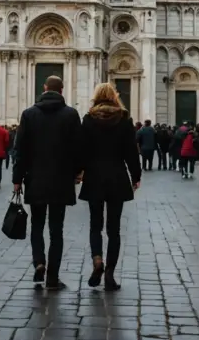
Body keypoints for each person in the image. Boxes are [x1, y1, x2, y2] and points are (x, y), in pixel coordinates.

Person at [12, 76, 82, 291]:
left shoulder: (29, 114)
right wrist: (77, 172)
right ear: (61, 90)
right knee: (56, 230)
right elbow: (78, 147)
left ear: (44, 88)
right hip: (61, 180)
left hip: (36, 179)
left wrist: (17, 180)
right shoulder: (71, 114)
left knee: (37, 225)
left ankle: (39, 262)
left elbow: (20, 151)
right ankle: (52, 277)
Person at [79, 83, 141, 291]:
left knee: (95, 225)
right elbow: (131, 152)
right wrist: (136, 176)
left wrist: (79, 171)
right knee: (114, 229)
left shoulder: (88, 119)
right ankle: (110, 275)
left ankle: (97, 260)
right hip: (117, 176)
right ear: (114, 97)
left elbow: (83, 150)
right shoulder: (124, 119)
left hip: (94, 176)